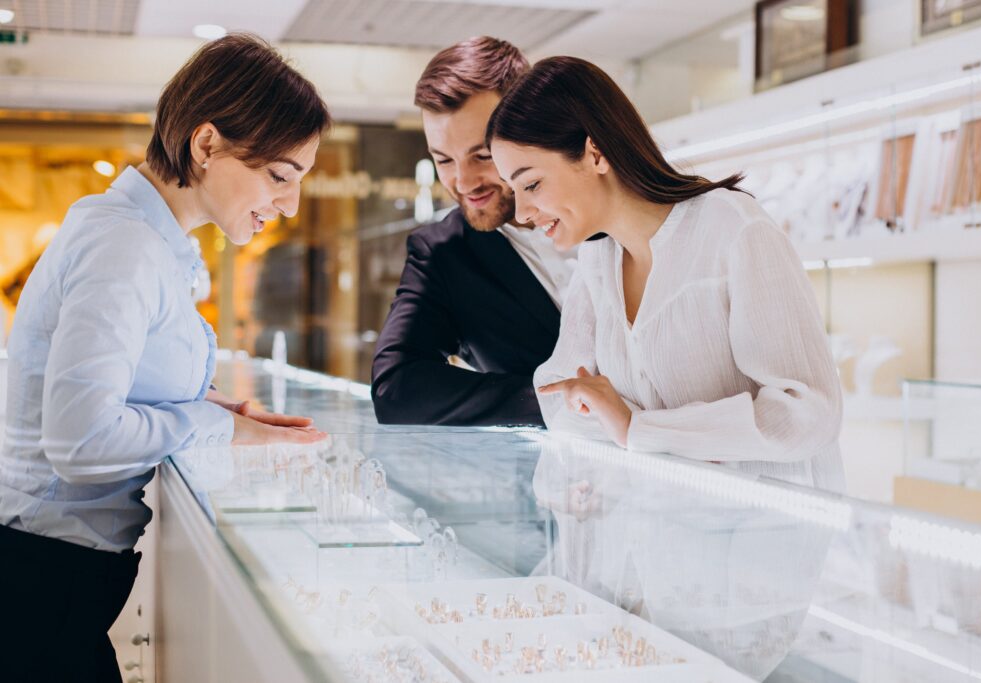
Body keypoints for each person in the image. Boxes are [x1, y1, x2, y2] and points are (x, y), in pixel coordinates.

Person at [0, 34, 329, 681]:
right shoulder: (125, 245)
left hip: (52, 574)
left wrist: (213, 405)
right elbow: (81, 436)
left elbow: (116, 383)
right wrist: (222, 425)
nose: (289, 204)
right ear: (206, 145)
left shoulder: (144, 239)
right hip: (39, 574)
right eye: (279, 176)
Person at [487, 57, 844, 492]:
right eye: (513, 191)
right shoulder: (597, 261)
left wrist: (637, 427)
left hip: (761, 544)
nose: (522, 213)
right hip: (658, 537)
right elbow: (558, 398)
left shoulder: (732, 229)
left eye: (532, 184)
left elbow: (807, 413)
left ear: (594, 152)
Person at [371, 37, 577, 427]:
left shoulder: (609, 214)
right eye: (443, 160)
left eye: (482, 155)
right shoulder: (443, 253)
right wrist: (558, 402)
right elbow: (396, 388)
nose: (463, 182)